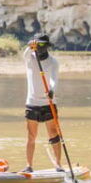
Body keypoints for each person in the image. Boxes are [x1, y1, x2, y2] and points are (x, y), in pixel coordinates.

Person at [21, 33, 65, 173]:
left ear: (47, 46)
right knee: (31, 136)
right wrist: (30, 46)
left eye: (41, 45)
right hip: (32, 102)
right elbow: (26, 53)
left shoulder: (53, 62)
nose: (39, 48)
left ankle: (58, 165)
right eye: (37, 45)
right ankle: (29, 166)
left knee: (53, 134)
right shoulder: (30, 58)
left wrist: (51, 90)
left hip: (48, 103)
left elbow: (53, 79)